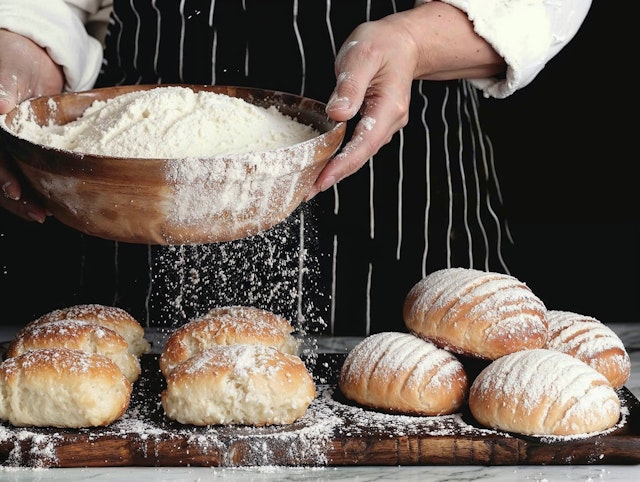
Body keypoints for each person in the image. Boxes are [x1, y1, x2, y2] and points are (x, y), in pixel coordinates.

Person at [0, 0, 592, 336]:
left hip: (392, 169)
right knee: (106, 391)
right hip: (125, 169)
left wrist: (415, 39)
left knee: (418, 384)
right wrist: (20, 50)